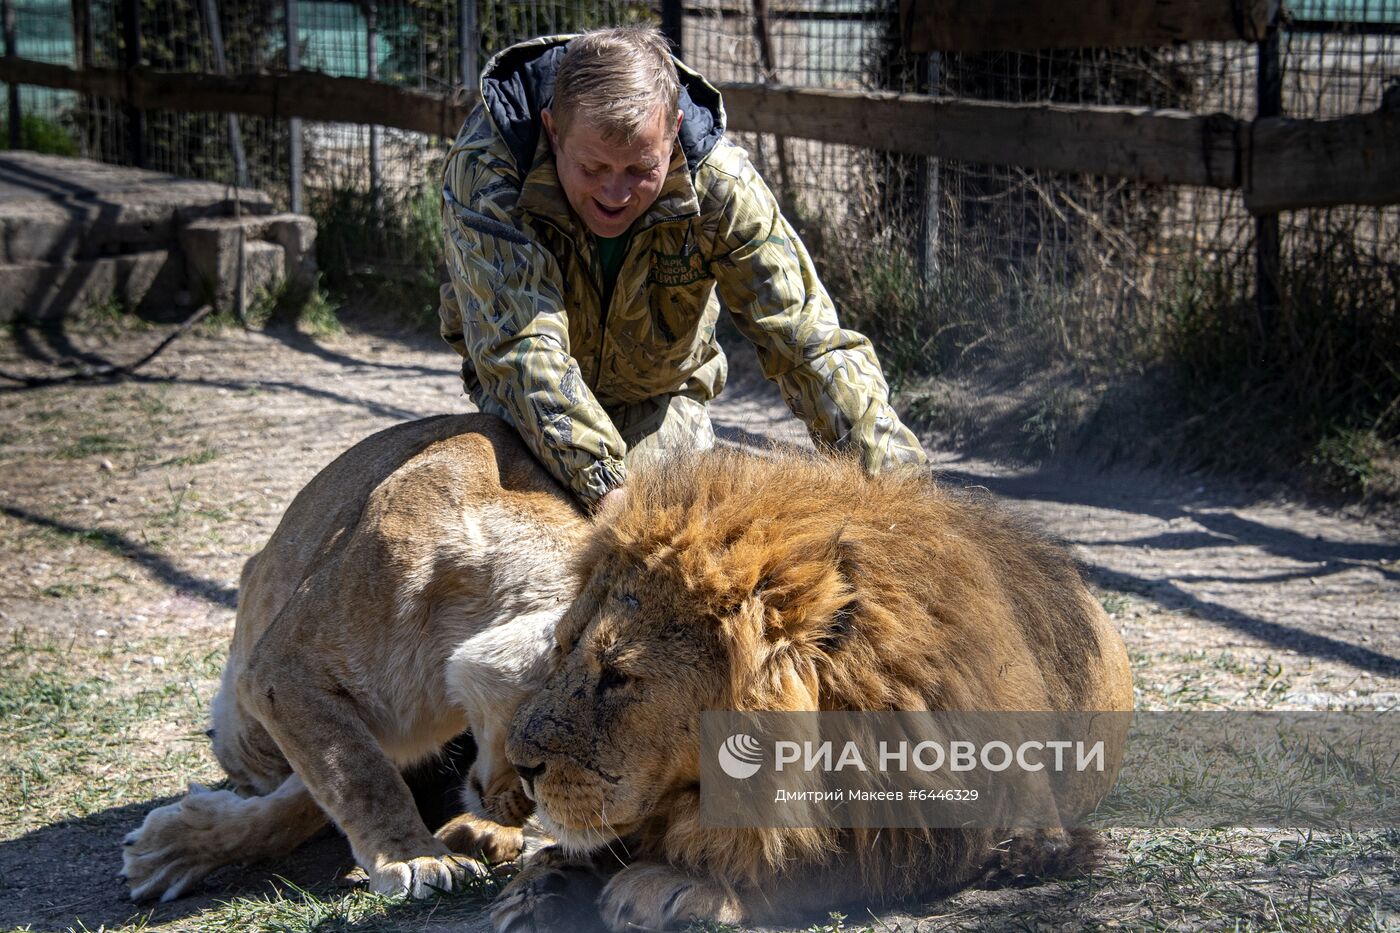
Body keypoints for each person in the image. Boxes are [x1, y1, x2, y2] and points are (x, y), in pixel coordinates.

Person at [438, 24, 927, 512]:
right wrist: (608, 490)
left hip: (660, 397)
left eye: (640, 169)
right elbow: (518, 345)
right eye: (592, 169)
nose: (615, 194)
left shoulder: (722, 187)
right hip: (524, 395)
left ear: (672, 131)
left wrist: (905, 498)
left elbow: (807, 342)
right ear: (552, 130)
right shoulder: (489, 170)